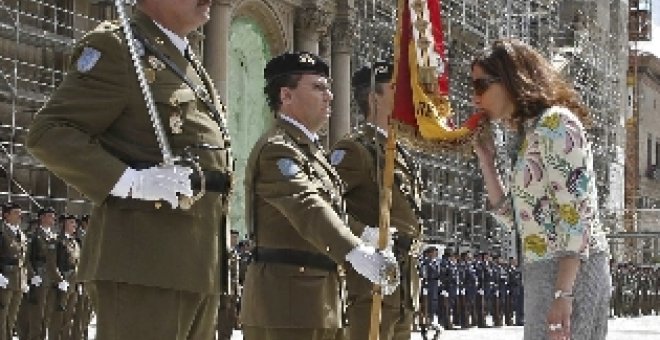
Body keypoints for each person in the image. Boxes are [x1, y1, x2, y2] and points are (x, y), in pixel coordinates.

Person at [25, 0, 234, 338]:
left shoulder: (185, 58)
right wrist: (131, 182)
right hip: (144, 263)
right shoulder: (119, 47)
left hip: (198, 264)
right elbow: (50, 133)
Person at [240, 51, 398, 340]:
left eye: (328, 87)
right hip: (286, 306)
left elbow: (332, 213)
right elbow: (307, 206)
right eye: (318, 87)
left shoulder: (310, 152)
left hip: (320, 302)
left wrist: (366, 235)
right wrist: (355, 250)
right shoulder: (278, 149)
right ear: (286, 95)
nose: (330, 96)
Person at [472, 38, 610, 340]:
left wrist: (564, 293)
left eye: (481, 86)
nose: (475, 99)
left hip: (572, 273)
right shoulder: (532, 132)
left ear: (510, 79)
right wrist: (487, 162)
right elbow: (519, 220)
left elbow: (576, 214)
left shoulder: (556, 124)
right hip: (544, 271)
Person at [330, 61, 423, 339]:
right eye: (395, 89)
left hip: (403, 283)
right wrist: (366, 236)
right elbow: (327, 207)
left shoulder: (398, 151)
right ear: (373, 98)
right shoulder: (355, 149)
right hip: (370, 286)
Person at [0, 202, 27, 340]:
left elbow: (24, 258)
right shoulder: (2, 232)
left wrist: (25, 278)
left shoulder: (20, 234)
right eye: (16, 212)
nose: (19, 215)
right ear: (6, 215)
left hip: (18, 280)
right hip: (5, 279)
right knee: (2, 318)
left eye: (20, 212)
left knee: (11, 318)